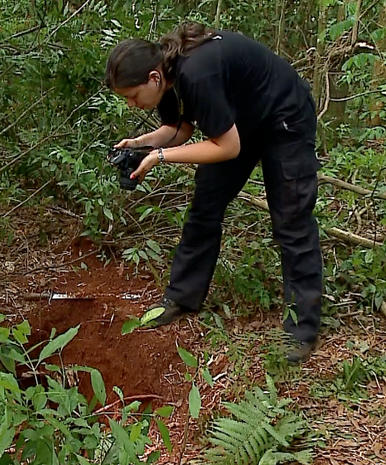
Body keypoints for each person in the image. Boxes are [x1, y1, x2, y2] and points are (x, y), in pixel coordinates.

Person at [104, 22, 323, 364]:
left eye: (132, 96)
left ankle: (301, 328)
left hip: (284, 118)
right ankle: (182, 298)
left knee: (292, 220)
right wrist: (141, 144)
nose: (132, 104)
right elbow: (180, 129)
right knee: (205, 207)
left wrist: (160, 157)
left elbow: (227, 147)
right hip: (238, 123)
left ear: (153, 78)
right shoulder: (170, 79)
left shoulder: (197, 73)